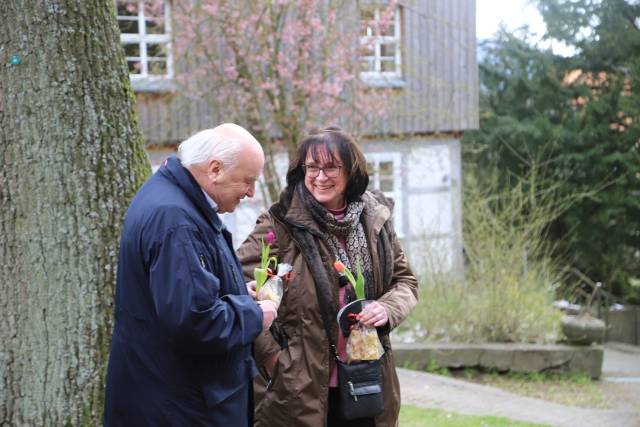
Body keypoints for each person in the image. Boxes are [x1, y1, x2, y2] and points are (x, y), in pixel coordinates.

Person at [237, 127, 419, 426]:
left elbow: (405, 282)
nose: (320, 177)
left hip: (367, 377)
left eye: (331, 167)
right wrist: (274, 359)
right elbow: (238, 288)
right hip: (299, 386)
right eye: (312, 167)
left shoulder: (375, 219)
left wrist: (386, 308)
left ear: (351, 171)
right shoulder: (280, 223)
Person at [104, 123, 278, 426]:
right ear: (214, 169)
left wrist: (237, 292)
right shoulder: (176, 219)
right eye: (248, 181)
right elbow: (194, 320)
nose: (251, 193)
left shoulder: (173, 199)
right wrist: (253, 315)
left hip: (169, 395)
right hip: (182, 404)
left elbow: (184, 291)